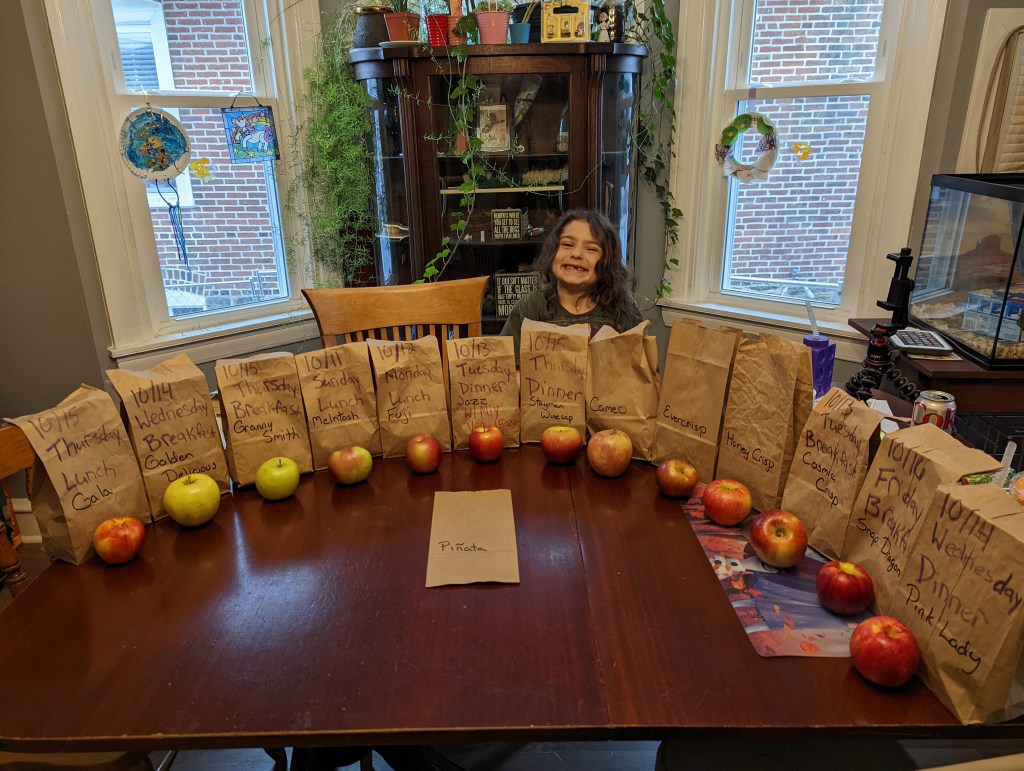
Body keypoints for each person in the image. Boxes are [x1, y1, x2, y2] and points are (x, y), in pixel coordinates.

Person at [501, 209, 643, 361]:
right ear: (552, 252)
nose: (576, 254)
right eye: (567, 244)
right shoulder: (530, 307)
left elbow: (640, 367)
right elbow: (504, 365)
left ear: (607, 262)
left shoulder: (622, 308)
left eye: (591, 249)